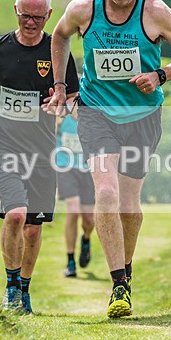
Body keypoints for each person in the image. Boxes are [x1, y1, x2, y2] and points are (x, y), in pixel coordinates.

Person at [48, 0, 171, 317]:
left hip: (143, 117)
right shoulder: (83, 9)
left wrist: (159, 75)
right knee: (106, 193)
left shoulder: (156, 12)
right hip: (96, 112)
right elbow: (59, 35)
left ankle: (126, 274)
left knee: (130, 206)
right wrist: (61, 87)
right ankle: (118, 285)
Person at [0, 0, 79, 315]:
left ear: (49, 15)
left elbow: (71, 96)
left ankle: (24, 290)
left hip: (43, 150)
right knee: (15, 214)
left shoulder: (57, 52)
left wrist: (61, 102)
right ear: (16, 11)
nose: (31, 23)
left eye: (38, 17)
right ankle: (11, 286)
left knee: (33, 226)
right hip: (4, 144)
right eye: (25, 16)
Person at [55, 112, 95, 278]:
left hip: (87, 169)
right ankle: (70, 261)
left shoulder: (92, 112)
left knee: (88, 220)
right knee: (73, 211)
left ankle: (86, 239)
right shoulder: (61, 114)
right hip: (65, 168)